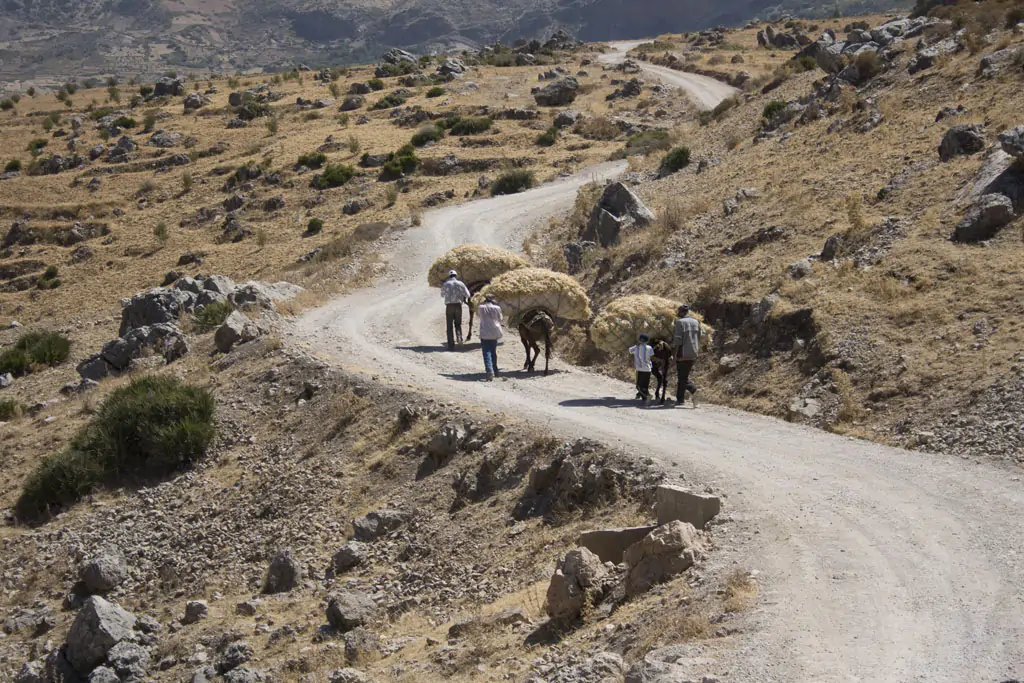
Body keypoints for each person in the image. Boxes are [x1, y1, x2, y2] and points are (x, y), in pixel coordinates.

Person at [672, 304, 704, 407]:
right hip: (693, 353)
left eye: (679, 312)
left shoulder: (680, 322)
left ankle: (693, 390)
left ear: (681, 312)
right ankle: (680, 400)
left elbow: (678, 340)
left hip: (682, 353)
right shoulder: (696, 322)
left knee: (682, 378)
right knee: (683, 376)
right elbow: (700, 336)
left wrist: (675, 354)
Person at [440, 269, 470, 350]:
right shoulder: (460, 283)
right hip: (458, 306)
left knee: (449, 326)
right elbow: (468, 295)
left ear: (449, 276)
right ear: (456, 276)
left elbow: (442, 295)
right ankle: (459, 338)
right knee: (458, 323)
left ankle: (451, 344)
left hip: (449, 306)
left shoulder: (446, 284)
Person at [477, 294, 504, 381]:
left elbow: (479, 315)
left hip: (485, 331)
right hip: (495, 331)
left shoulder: (481, 307)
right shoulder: (497, 308)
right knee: (493, 351)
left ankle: (489, 370)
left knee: (486, 352)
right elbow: (501, 319)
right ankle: (495, 369)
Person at [629, 333, 654, 404]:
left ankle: (648, 396)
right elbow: (652, 357)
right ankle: (645, 399)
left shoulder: (635, 347)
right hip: (648, 369)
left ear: (639, 340)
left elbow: (629, 351)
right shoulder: (649, 348)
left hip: (639, 369)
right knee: (645, 385)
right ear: (647, 341)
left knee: (638, 386)